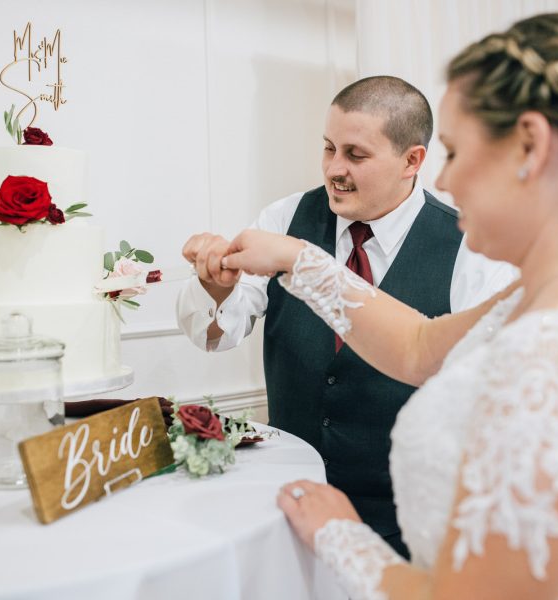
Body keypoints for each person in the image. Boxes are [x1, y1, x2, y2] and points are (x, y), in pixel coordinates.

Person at [220, 13, 558, 600]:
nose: (443, 182)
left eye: (454, 151)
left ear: (531, 146)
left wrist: (341, 536)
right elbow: (420, 347)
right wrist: (301, 259)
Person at [177, 76, 516, 558]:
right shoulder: (284, 217)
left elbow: (476, 376)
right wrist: (216, 282)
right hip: (289, 512)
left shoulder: (468, 244)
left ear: (412, 161)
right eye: (329, 148)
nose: (334, 169)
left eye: (356, 155)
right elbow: (215, 334)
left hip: (407, 528)